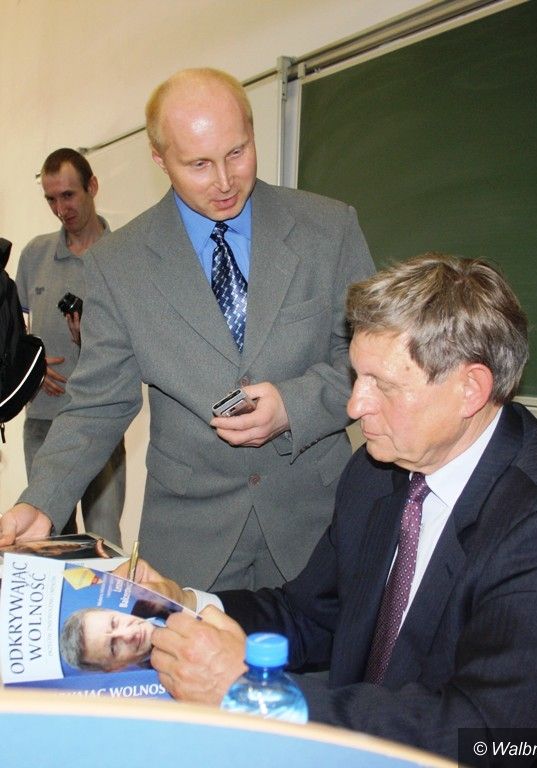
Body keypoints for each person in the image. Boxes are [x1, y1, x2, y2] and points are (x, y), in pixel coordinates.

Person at [114, 254, 537, 762]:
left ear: (470, 389)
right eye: (357, 377)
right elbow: (311, 615)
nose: (355, 406)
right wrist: (185, 603)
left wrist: (257, 696)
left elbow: (485, 733)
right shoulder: (378, 471)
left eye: (383, 386)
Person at [0, 68, 374, 591]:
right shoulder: (119, 264)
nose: (224, 181)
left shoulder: (328, 229)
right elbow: (98, 404)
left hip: (316, 525)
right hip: (190, 543)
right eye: (198, 164)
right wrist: (41, 501)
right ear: (159, 158)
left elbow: (370, 364)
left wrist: (294, 405)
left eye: (237, 153)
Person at [14, 148, 126, 546]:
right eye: (51, 199)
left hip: (101, 421)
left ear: (92, 186)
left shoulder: (123, 255)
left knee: (102, 540)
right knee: (49, 541)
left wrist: (91, 339)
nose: (61, 209)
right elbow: (14, 334)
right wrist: (31, 366)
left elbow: (139, 342)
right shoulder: (34, 254)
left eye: (68, 195)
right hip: (42, 421)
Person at [60, 605, 170, 672]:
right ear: (115, 667)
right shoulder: (167, 684)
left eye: (114, 623)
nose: (129, 634)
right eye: (113, 648)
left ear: (113, 611)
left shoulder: (152, 599)